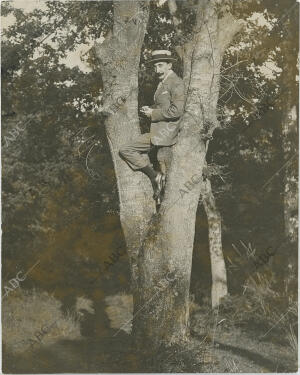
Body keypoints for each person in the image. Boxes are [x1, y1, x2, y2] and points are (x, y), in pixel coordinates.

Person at [119, 49, 185, 204]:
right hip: (158, 130)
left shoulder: (176, 83)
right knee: (127, 150)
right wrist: (149, 109)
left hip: (166, 133)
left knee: (126, 149)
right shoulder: (162, 83)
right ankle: (156, 178)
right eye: (155, 66)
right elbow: (163, 105)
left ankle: (154, 176)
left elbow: (176, 111)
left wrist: (152, 113)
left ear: (169, 65)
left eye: (161, 65)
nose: (157, 69)